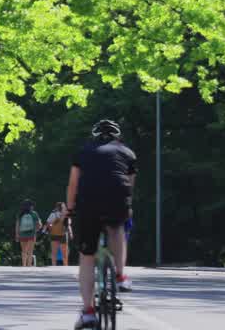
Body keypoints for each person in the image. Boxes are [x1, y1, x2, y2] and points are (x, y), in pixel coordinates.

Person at [67, 119, 137, 330]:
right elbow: (129, 186)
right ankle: (121, 275)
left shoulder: (83, 152)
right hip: (117, 200)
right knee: (116, 228)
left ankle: (88, 313)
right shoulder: (128, 153)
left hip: (89, 203)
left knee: (87, 257)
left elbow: (73, 184)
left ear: (94, 135)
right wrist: (127, 208)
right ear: (118, 136)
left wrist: (70, 210)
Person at [15, 200, 41, 267]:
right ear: (30, 206)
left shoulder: (20, 214)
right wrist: (36, 230)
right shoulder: (34, 214)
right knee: (30, 251)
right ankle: (29, 265)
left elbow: (17, 225)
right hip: (31, 234)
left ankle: (24, 265)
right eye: (32, 205)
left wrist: (17, 235)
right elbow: (38, 225)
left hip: (22, 234)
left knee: (24, 251)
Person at [46, 201, 72, 267]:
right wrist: (71, 233)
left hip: (54, 234)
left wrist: (51, 227)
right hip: (63, 234)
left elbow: (48, 224)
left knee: (54, 252)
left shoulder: (53, 214)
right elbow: (68, 225)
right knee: (64, 252)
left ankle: (53, 266)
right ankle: (66, 266)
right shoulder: (66, 214)